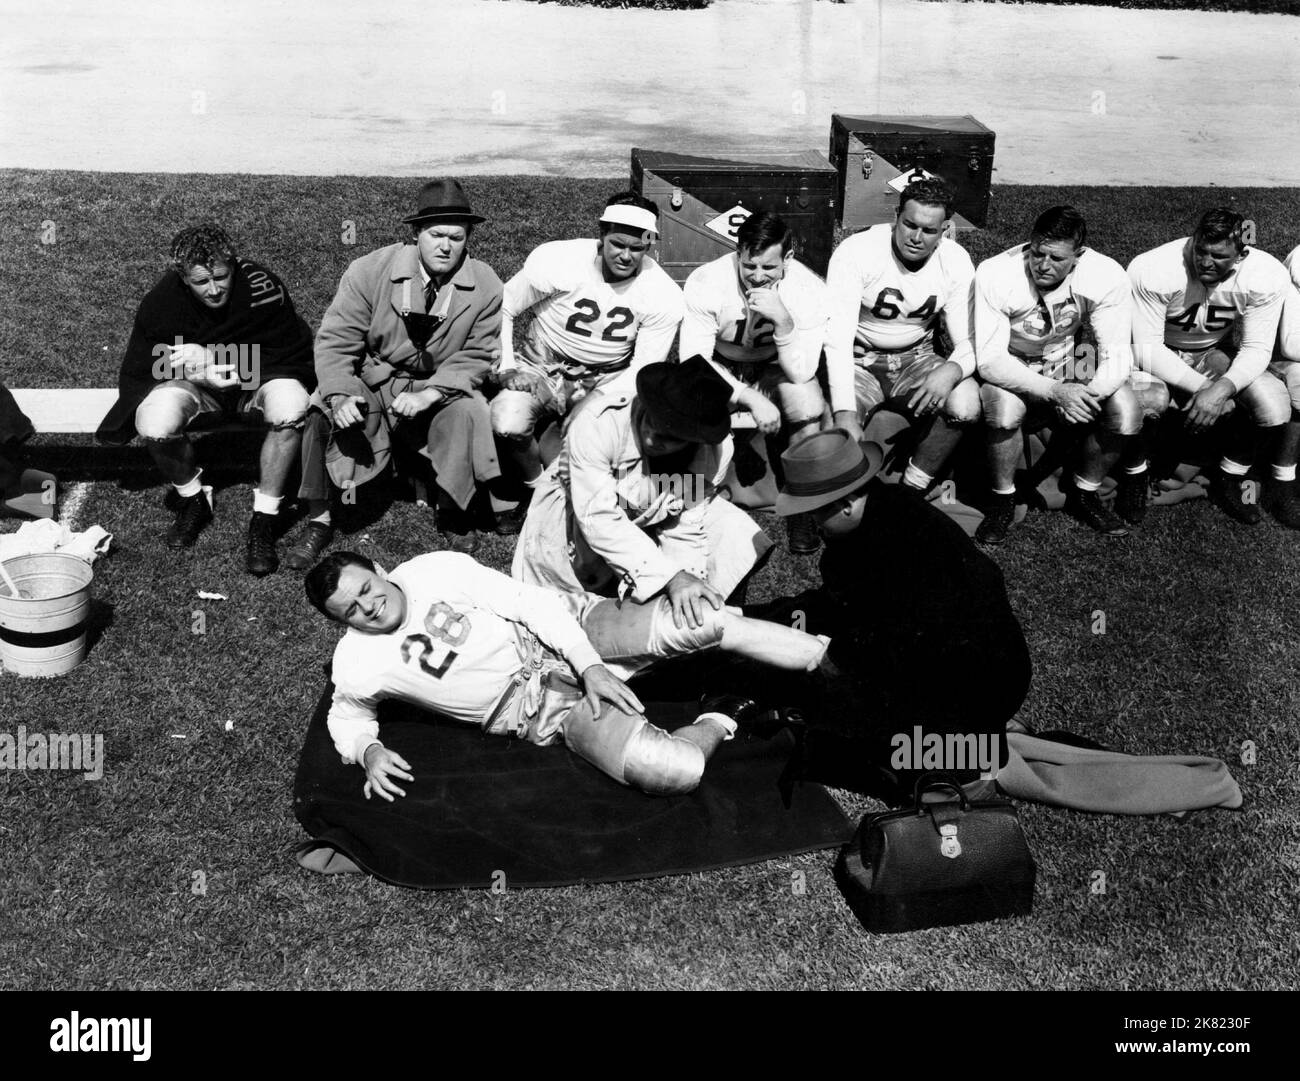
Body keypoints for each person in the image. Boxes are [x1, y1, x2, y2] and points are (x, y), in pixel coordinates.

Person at [305, 549, 832, 799]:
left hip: (566, 630)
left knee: (707, 622)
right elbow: (345, 715)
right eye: (351, 610)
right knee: (674, 770)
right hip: (540, 711)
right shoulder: (356, 662)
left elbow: (529, 603)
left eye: (366, 589)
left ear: (377, 569)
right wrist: (367, 750)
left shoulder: (432, 569)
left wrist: (591, 666)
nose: (369, 607)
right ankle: (725, 707)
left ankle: (827, 664)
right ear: (338, 623)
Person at [769, 428, 1031, 796]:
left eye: (814, 515)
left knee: (833, 735)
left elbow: (889, 636)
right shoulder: (894, 508)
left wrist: (835, 661)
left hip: (968, 689)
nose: (813, 526)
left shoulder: (874, 549)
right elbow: (841, 607)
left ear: (844, 504)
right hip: (998, 672)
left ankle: (961, 760)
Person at [96, 223, 319, 575]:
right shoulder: (162, 301)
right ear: (183, 278)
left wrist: (220, 361)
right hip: (199, 388)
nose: (214, 290)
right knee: (153, 421)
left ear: (234, 265)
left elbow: (291, 353)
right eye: (202, 282)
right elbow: (144, 361)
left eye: (221, 277)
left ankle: (265, 516)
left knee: (292, 406)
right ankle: (194, 499)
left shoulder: (263, 287)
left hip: (259, 381)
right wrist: (194, 370)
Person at [304, 179, 506, 555]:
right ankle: (320, 517)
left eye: (457, 238)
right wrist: (341, 393)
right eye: (435, 234)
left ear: (469, 239)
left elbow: (478, 353)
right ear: (416, 234)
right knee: (319, 410)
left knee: (469, 409)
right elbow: (336, 341)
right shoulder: (369, 270)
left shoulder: (487, 284)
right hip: (374, 378)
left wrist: (432, 392)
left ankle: (453, 511)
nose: (445, 246)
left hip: (437, 383)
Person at [512, 355, 771, 630]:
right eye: (651, 421)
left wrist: (686, 580)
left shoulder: (713, 455)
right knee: (554, 621)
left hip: (643, 517)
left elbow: (685, 521)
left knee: (735, 532)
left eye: (669, 436)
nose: (650, 438)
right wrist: (670, 578)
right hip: (570, 523)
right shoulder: (600, 423)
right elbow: (598, 519)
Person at [490, 191, 684, 527]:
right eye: (617, 244)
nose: (625, 255)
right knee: (507, 421)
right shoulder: (561, 260)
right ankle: (535, 486)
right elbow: (505, 304)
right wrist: (508, 365)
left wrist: (594, 399)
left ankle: (571, 487)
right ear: (601, 234)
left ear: (649, 245)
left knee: (606, 448)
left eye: (636, 248)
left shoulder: (661, 292)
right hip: (542, 363)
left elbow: (643, 369)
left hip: (608, 375)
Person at [974, 205, 1156, 543]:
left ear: (1079, 255)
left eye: (1056, 258)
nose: (1043, 265)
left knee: (1127, 412)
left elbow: (1116, 353)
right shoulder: (996, 272)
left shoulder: (1104, 273)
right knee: (1003, 413)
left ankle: (1084, 490)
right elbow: (989, 361)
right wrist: (1056, 392)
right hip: (1014, 363)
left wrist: (1087, 396)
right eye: (1037, 252)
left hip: (1068, 360)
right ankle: (1002, 499)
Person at [1128, 209, 1294, 527]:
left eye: (1218, 256)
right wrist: (1209, 390)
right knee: (1147, 399)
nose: (1204, 262)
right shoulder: (1154, 267)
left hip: (1209, 350)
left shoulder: (1265, 274)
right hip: (1149, 354)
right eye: (1199, 250)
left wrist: (1223, 387)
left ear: (1242, 254)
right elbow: (1146, 348)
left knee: (1273, 408)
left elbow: (1257, 348)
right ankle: (1134, 474)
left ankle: (1228, 477)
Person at [824, 177, 980, 512]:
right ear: (896, 215)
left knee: (965, 404)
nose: (916, 237)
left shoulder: (954, 260)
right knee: (835, 425)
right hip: (859, 357)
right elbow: (836, 339)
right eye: (909, 225)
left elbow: (972, 339)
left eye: (928, 230)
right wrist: (844, 411)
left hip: (916, 357)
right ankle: (833, 503)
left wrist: (952, 369)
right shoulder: (857, 251)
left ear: (945, 229)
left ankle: (911, 490)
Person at [680, 211, 829, 553]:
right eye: (749, 266)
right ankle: (688, 500)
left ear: (787, 260)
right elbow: (694, 361)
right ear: (737, 253)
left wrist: (785, 324)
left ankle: (801, 507)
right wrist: (746, 395)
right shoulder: (707, 280)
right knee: (688, 397)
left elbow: (802, 371)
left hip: (772, 366)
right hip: (720, 364)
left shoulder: (807, 287)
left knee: (806, 401)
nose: (758, 277)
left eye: (769, 268)